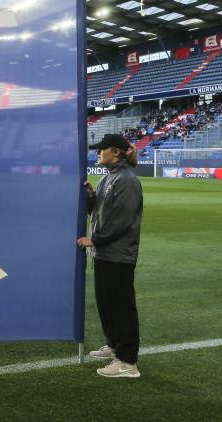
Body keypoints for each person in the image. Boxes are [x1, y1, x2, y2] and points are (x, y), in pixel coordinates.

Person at [78, 133, 143, 378]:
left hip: (119, 254)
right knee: (107, 304)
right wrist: (91, 197)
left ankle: (127, 363)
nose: (98, 153)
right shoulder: (110, 178)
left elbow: (122, 221)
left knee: (121, 307)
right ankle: (114, 344)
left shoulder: (126, 179)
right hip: (106, 253)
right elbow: (101, 211)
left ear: (115, 152)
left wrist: (95, 239)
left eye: (101, 149)